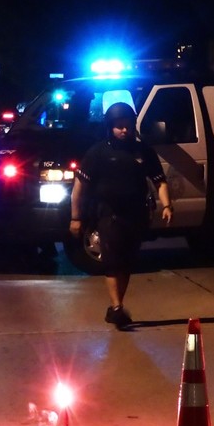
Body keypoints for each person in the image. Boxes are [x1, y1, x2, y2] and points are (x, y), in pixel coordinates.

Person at [69, 102, 173, 329]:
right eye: (119, 126)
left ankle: (116, 306)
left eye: (128, 126)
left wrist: (167, 205)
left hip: (136, 215)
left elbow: (159, 181)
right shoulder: (98, 152)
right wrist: (75, 218)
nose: (124, 130)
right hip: (108, 215)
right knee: (113, 262)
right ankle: (117, 308)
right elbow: (79, 188)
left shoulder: (143, 151)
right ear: (110, 127)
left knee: (126, 263)